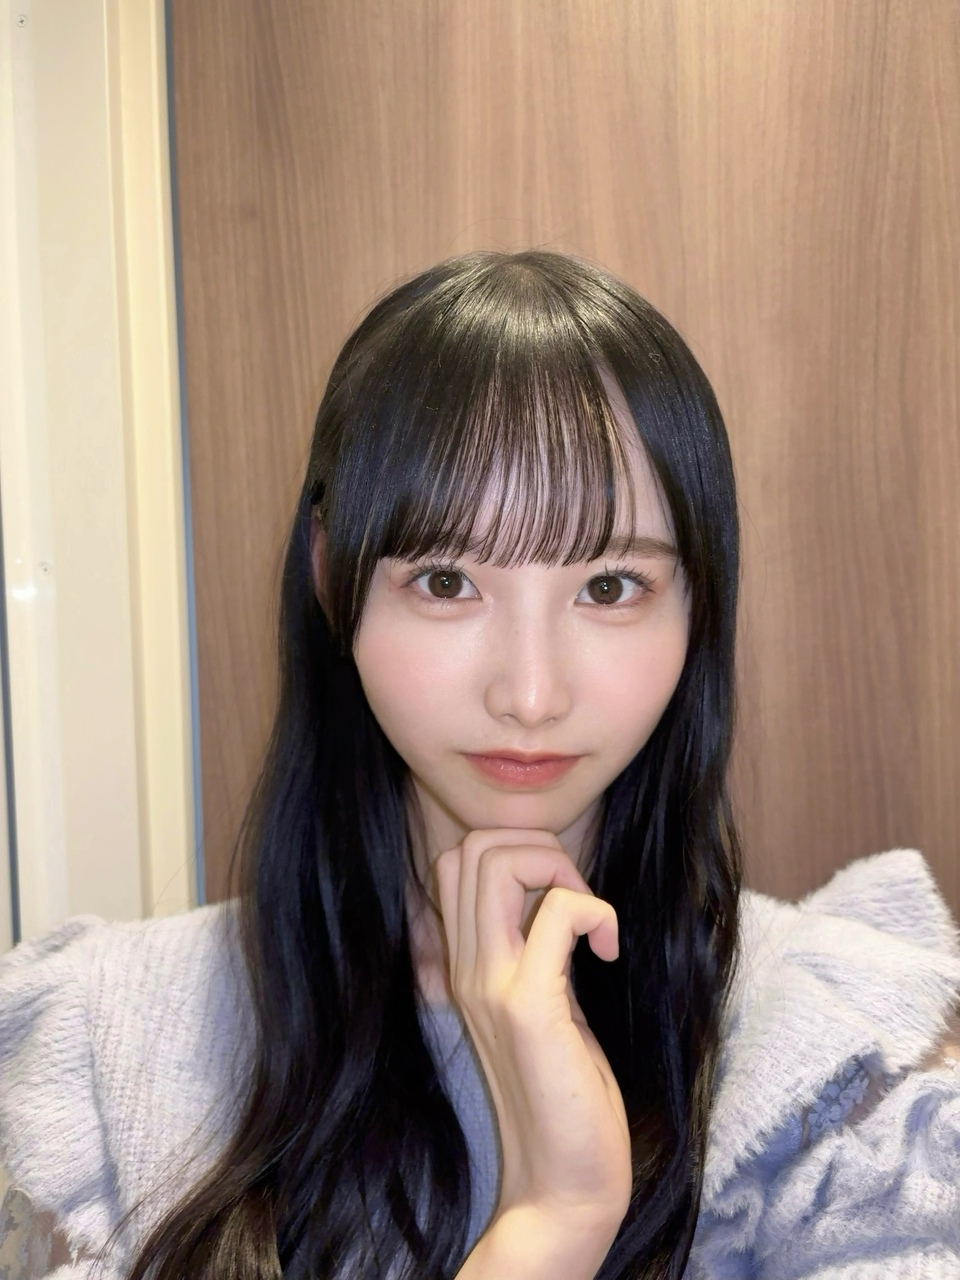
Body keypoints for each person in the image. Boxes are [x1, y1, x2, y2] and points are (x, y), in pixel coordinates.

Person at [0, 250, 958, 1280]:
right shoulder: (108, 1044)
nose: (530, 694)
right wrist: (554, 1219)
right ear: (330, 572)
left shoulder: (839, 1067)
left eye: (609, 586)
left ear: (698, 599)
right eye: (448, 580)